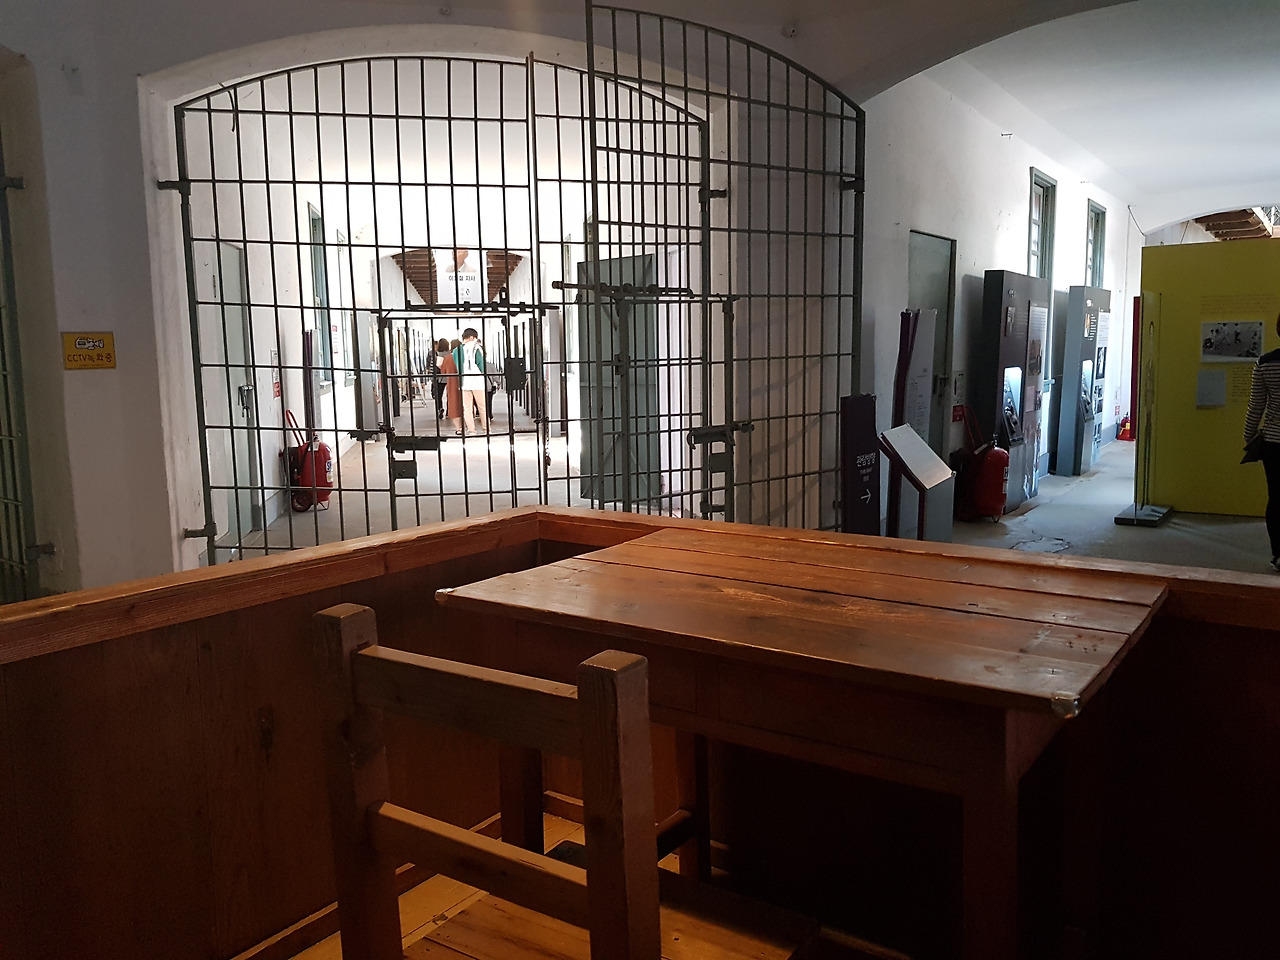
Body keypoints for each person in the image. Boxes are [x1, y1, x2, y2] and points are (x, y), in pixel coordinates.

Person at [1244, 310, 1280, 572]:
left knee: (1276, 499)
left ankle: (1278, 554)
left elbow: (1256, 406)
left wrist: (1249, 437)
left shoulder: (1265, 363)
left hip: (1274, 443)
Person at [453, 328, 488, 436]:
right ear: (472, 337)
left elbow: (457, 366)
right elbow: (481, 365)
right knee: (482, 407)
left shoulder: (456, 351)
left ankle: (471, 430)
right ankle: (486, 429)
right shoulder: (476, 347)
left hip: (464, 382)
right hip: (477, 382)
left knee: (467, 408)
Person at [435, 337, 462, 436]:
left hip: (448, 380)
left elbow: (441, 369)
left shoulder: (446, 357)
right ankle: (472, 427)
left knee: (450, 399)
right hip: (464, 381)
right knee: (465, 403)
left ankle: (458, 428)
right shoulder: (465, 356)